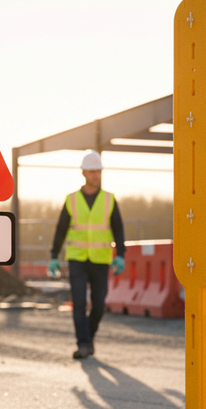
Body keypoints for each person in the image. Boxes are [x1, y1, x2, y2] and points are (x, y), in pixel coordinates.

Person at [48, 150, 126, 359]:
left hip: (101, 259)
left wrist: (121, 254)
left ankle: (89, 338)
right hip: (77, 259)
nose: (96, 176)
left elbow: (118, 229)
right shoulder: (71, 200)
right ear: (83, 173)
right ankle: (82, 344)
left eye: (98, 172)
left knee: (99, 304)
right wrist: (54, 255)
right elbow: (61, 229)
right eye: (92, 172)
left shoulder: (109, 200)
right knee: (80, 302)